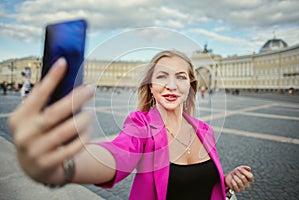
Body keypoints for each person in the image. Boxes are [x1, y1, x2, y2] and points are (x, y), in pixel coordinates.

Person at [9, 50, 254, 200]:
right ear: (151, 87)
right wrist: (64, 165)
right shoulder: (141, 125)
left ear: (190, 86)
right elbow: (116, 153)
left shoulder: (205, 131)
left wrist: (226, 181)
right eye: (161, 76)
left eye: (180, 77)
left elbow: (200, 183)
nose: (171, 85)